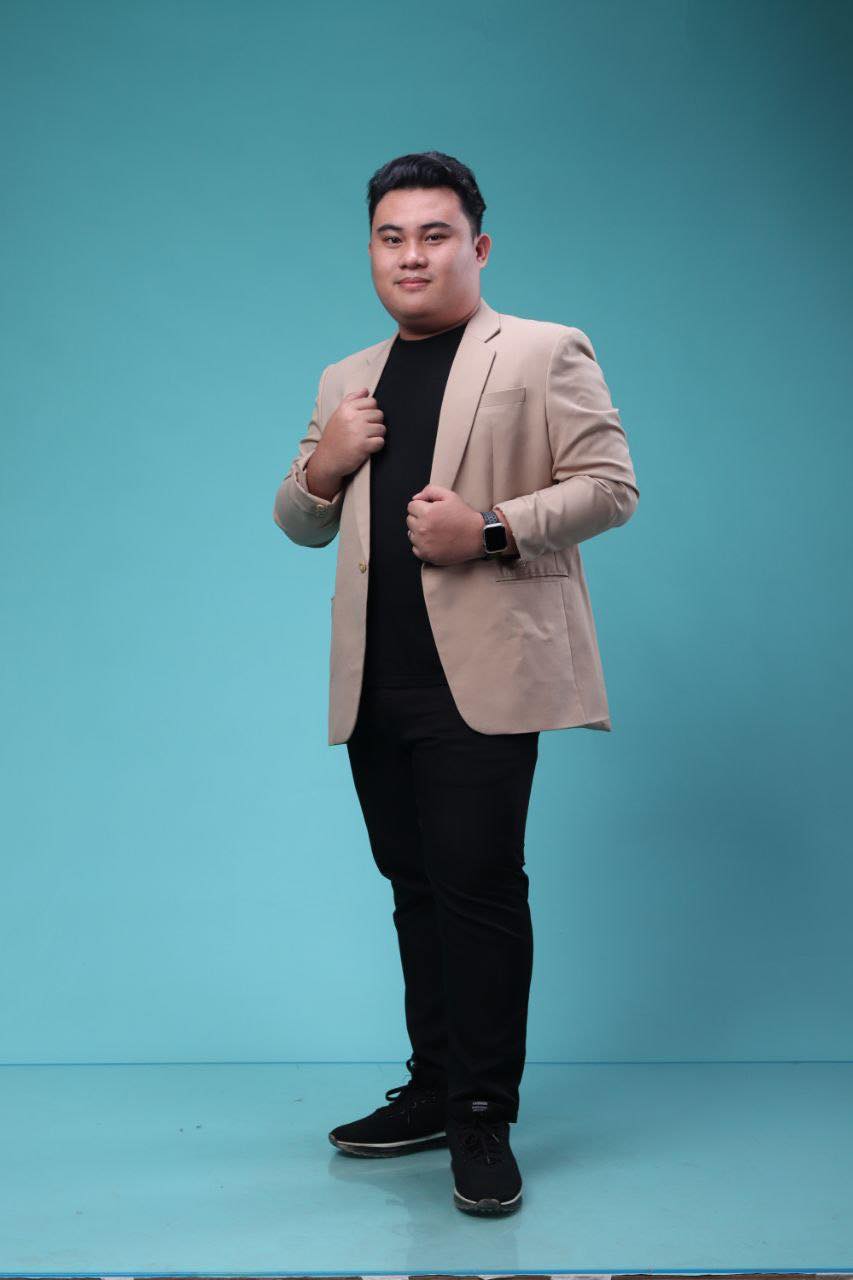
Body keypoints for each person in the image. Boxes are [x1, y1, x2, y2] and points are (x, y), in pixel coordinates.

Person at [272, 151, 640, 1217]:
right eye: (391, 237)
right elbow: (297, 521)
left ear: (475, 246)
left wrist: (485, 528)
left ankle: (482, 1113)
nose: (411, 255)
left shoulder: (541, 349)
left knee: (477, 889)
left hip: (482, 678)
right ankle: (432, 1087)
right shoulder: (345, 378)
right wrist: (326, 463)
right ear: (371, 251)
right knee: (413, 887)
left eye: (434, 235)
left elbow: (610, 487)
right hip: (374, 682)